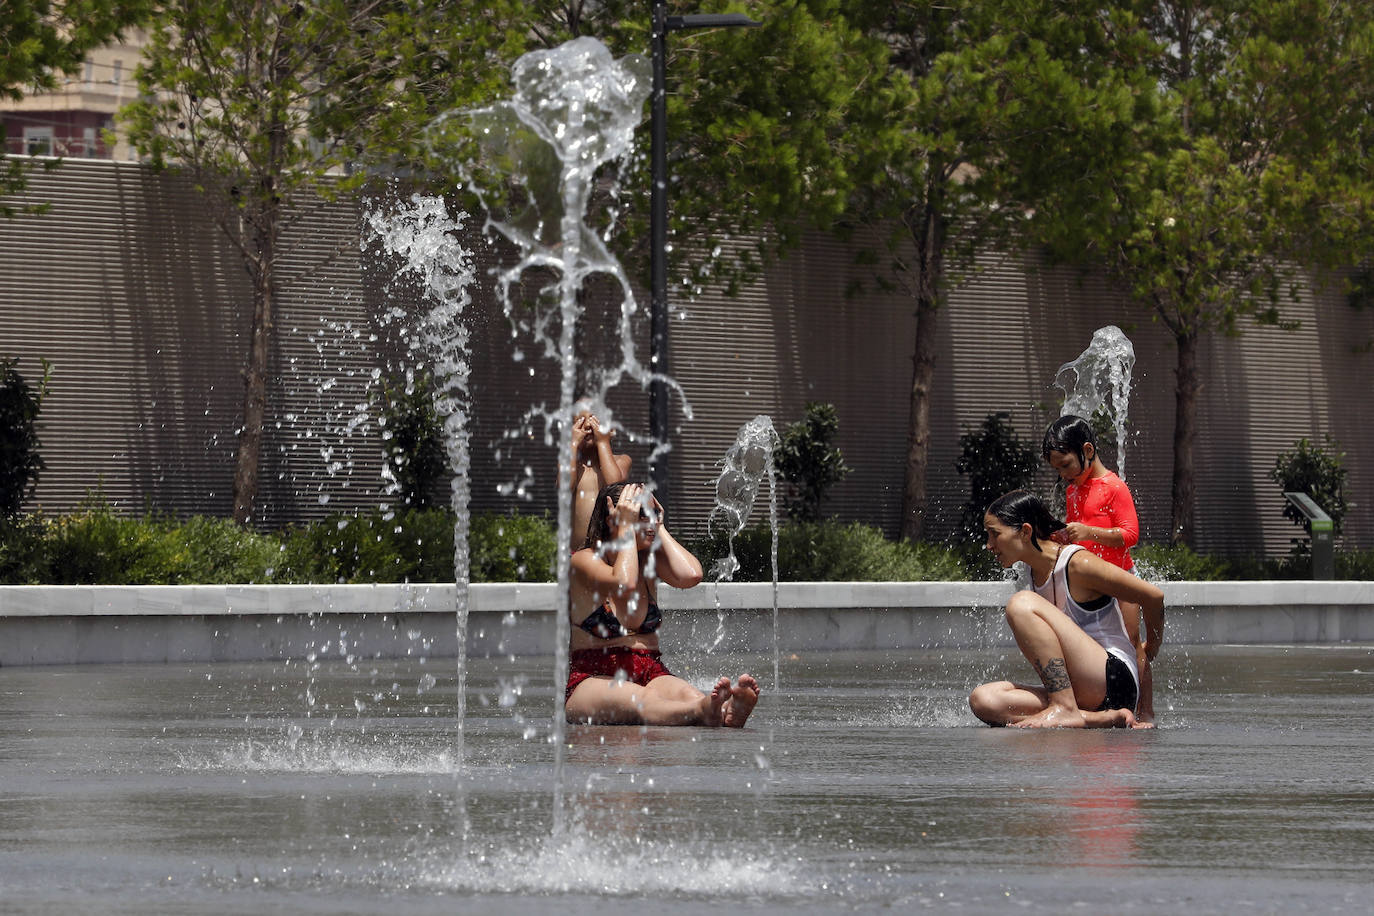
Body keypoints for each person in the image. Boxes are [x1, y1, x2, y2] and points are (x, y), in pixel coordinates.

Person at [566, 481, 760, 727]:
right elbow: (623, 583)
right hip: (593, 677)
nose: (650, 522)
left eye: (654, 513)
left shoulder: (647, 559)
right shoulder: (584, 561)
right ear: (613, 517)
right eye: (641, 515)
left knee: (690, 695)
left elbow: (691, 575)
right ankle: (707, 712)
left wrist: (660, 527)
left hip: (650, 670)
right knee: (644, 700)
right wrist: (626, 529)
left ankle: (724, 714)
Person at [968, 489, 1164, 729]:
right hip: (1084, 694)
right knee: (984, 700)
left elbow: (1152, 596)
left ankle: (1065, 708)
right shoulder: (1029, 572)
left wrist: (1152, 647)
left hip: (1113, 679)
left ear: (1025, 531)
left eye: (994, 534)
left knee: (1020, 604)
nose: (988, 545)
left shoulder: (1077, 563)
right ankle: (1101, 718)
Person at [1042, 415, 1155, 723]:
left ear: (1088, 450)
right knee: (1088, 645)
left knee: (1132, 644)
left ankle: (1145, 710)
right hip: (1087, 584)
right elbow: (1079, 535)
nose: (1063, 475)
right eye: (1057, 469)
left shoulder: (1114, 487)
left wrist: (1089, 533)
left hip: (1118, 579)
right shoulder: (1073, 490)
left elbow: (1130, 535)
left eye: (1066, 465)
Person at [569, 408, 632, 551]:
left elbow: (614, 485)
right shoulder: (571, 464)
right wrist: (572, 444)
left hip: (609, 552)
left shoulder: (622, 460)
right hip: (576, 552)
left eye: (594, 419)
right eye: (580, 420)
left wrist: (603, 442)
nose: (587, 425)